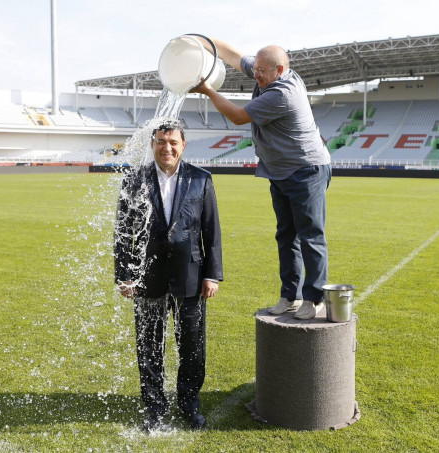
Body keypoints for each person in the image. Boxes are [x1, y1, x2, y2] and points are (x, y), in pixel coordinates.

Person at [192, 40, 331, 320]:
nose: (255, 75)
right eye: (254, 69)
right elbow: (232, 56)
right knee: (286, 237)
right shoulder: (267, 71)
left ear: (279, 70)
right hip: (280, 171)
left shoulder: (283, 93)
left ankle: (314, 298)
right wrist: (203, 41)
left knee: (310, 236)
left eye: (260, 71)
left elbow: (237, 116)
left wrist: (207, 90)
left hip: (305, 170)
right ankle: (290, 296)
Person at [114, 121, 223, 431]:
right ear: (153, 144)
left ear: (183, 145)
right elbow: (122, 232)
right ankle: (154, 407)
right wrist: (125, 274)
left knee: (192, 346)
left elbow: (211, 231)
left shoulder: (201, 179)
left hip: (191, 276)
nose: (167, 147)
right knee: (149, 346)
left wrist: (212, 275)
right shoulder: (134, 180)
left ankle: (189, 404)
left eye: (173, 142)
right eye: (161, 141)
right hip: (146, 276)